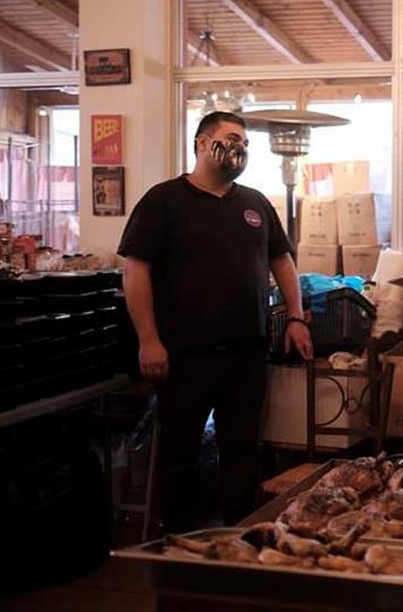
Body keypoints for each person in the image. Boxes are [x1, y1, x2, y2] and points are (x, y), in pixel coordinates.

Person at [118, 111, 313, 532]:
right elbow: (135, 271)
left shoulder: (255, 203)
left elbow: (282, 260)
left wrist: (296, 317)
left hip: (246, 353)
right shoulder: (163, 201)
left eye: (245, 142)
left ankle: (239, 536)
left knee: (242, 451)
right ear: (203, 143)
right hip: (184, 354)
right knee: (180, 453)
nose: (240, 147)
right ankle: (179, 541)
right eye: (232, 138)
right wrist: (148, 340)